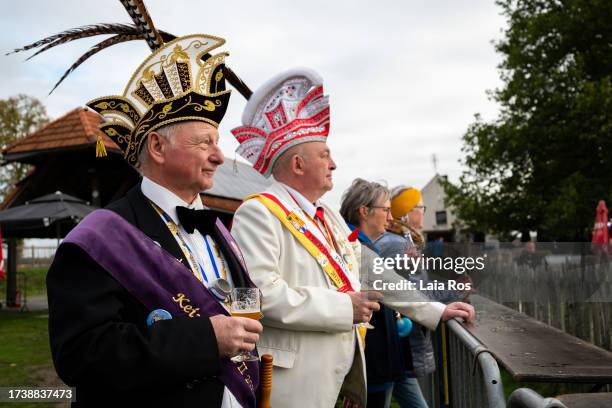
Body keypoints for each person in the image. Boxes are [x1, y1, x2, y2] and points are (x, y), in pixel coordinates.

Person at [230, 69, 475, 407]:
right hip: (294, 386)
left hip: (339, 378)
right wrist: (345, 307)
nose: (334, 163)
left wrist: (433, 309)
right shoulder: (257, 212)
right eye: (324, 155)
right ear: (299, 164)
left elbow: (372, 269)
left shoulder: (326, 215)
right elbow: (259, 296)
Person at [46, 33, 263, 407]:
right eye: (204, 143)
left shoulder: (218, 230)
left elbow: (243, 305)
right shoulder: (98, 238)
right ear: (158, 148)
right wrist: (205, 339)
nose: (219, 157)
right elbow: (81, 354)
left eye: (217, 143)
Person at [340, 179, 476, 408]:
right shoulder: (370, 246)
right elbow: (399, 290)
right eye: (386, 210)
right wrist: (449, 297)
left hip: (383, 351)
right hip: (376, 353)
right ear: (364, 212)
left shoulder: (366, 245)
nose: (390, 217)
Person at [376, 186, 470, 408]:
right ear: (407, 213)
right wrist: (457, 291)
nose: (424, 211)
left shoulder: (399, 241)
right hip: (401, 341)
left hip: (398, 340)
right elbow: (415, 292)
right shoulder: (397, 244)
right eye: (420, 207)